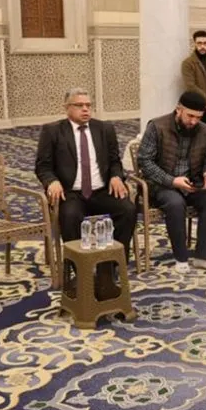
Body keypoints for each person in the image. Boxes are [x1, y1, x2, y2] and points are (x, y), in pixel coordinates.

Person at [35, 88, 136, 296]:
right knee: (70, 216)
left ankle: (111, 267)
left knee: (127, 209)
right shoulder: (52, 131)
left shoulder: (104, 129)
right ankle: (80, 270)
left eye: (88, 105)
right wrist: (52, 181)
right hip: (71, 193)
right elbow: (43, 166)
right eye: (79, 105)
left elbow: (115, 161)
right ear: (67, 108)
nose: (85, 109)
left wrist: (116, 176)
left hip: (101, 190)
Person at [135, 90, 206, 273]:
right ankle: (181, 258)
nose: (193, 121)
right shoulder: (157, 126)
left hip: (191, 182)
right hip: (161, 184)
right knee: (175, 203)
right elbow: (144, 161)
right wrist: (171, 181)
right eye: (190, 116)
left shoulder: (205, 131)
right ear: (178, 109)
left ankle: (202, 257)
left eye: (198, 117)